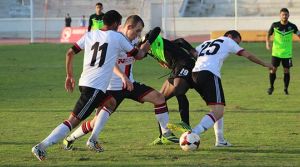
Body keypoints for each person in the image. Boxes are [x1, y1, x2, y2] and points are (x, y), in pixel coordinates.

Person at [31, 10, 151, 161]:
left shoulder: (90, 34)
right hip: (95, 87)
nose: (120, 26)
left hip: (86, 82)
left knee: (110, 102)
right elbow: (139, 55)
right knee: (73, 121)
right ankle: (41, 146)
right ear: (115, 24)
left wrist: (69, 76)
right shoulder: (116, 37)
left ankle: (93, 138)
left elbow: (70, 53)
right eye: (119, 23)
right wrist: (149, 42)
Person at [62, 16, 179, 151]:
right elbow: (110, 64)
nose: (138, 34)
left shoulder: (134, 40)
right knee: (95, 123)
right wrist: (123, 76)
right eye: (137, 31)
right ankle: (69, 139)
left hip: (130, 84)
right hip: (112, 88)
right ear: (128, 27)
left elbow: (139, 55)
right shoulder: (114, 39)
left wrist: (156, 55)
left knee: (159, 98)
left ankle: (166, 134)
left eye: (140, 32)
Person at [170, 30, 274, 144]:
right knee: (218, 112)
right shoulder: (228, 40)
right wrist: (265, 64)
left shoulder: (206, 42)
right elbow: (247, 55)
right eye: (237, 42)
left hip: (195, 74)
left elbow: (193, 54)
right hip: (209, 74)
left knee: (217, 108)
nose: (237, 45)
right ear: (230, 36)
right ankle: (192, 134)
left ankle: (220, 140)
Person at [143, 32, 232, 147]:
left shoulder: (156, 42)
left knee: (179, 90)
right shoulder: (150, 51)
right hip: (176, 69)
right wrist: (162, 61)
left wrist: (192, 51)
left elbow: (177, 40)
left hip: (186, 65)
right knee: (159, 99)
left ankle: (186, 124)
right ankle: (165, 135)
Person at [266, 8, 300, 95]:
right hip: (276, 52)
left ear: (288, 15)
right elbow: (268, 34)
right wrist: (267, 43)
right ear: (280, 15)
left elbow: (299, 34)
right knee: (273, 70)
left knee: (286, 71)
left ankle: (285, 89)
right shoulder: (275, 25)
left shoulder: (292, 26)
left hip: (287, 53)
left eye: (286, 14)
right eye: (283, 15)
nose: (284, 16)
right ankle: (271, 87)